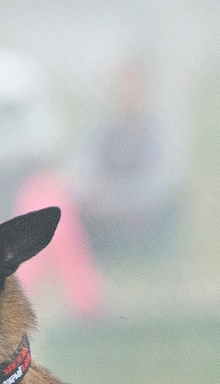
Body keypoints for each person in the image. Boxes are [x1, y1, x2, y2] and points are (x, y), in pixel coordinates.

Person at [77, 57, 180, 259]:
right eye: (124, 87)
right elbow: (85, 170)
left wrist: (117, 196)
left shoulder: (158, 131)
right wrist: (96, 191)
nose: (128, 94)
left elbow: (159, 183)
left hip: (145, 218)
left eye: (135, 87)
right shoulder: (104, 130)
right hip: (104, 218)